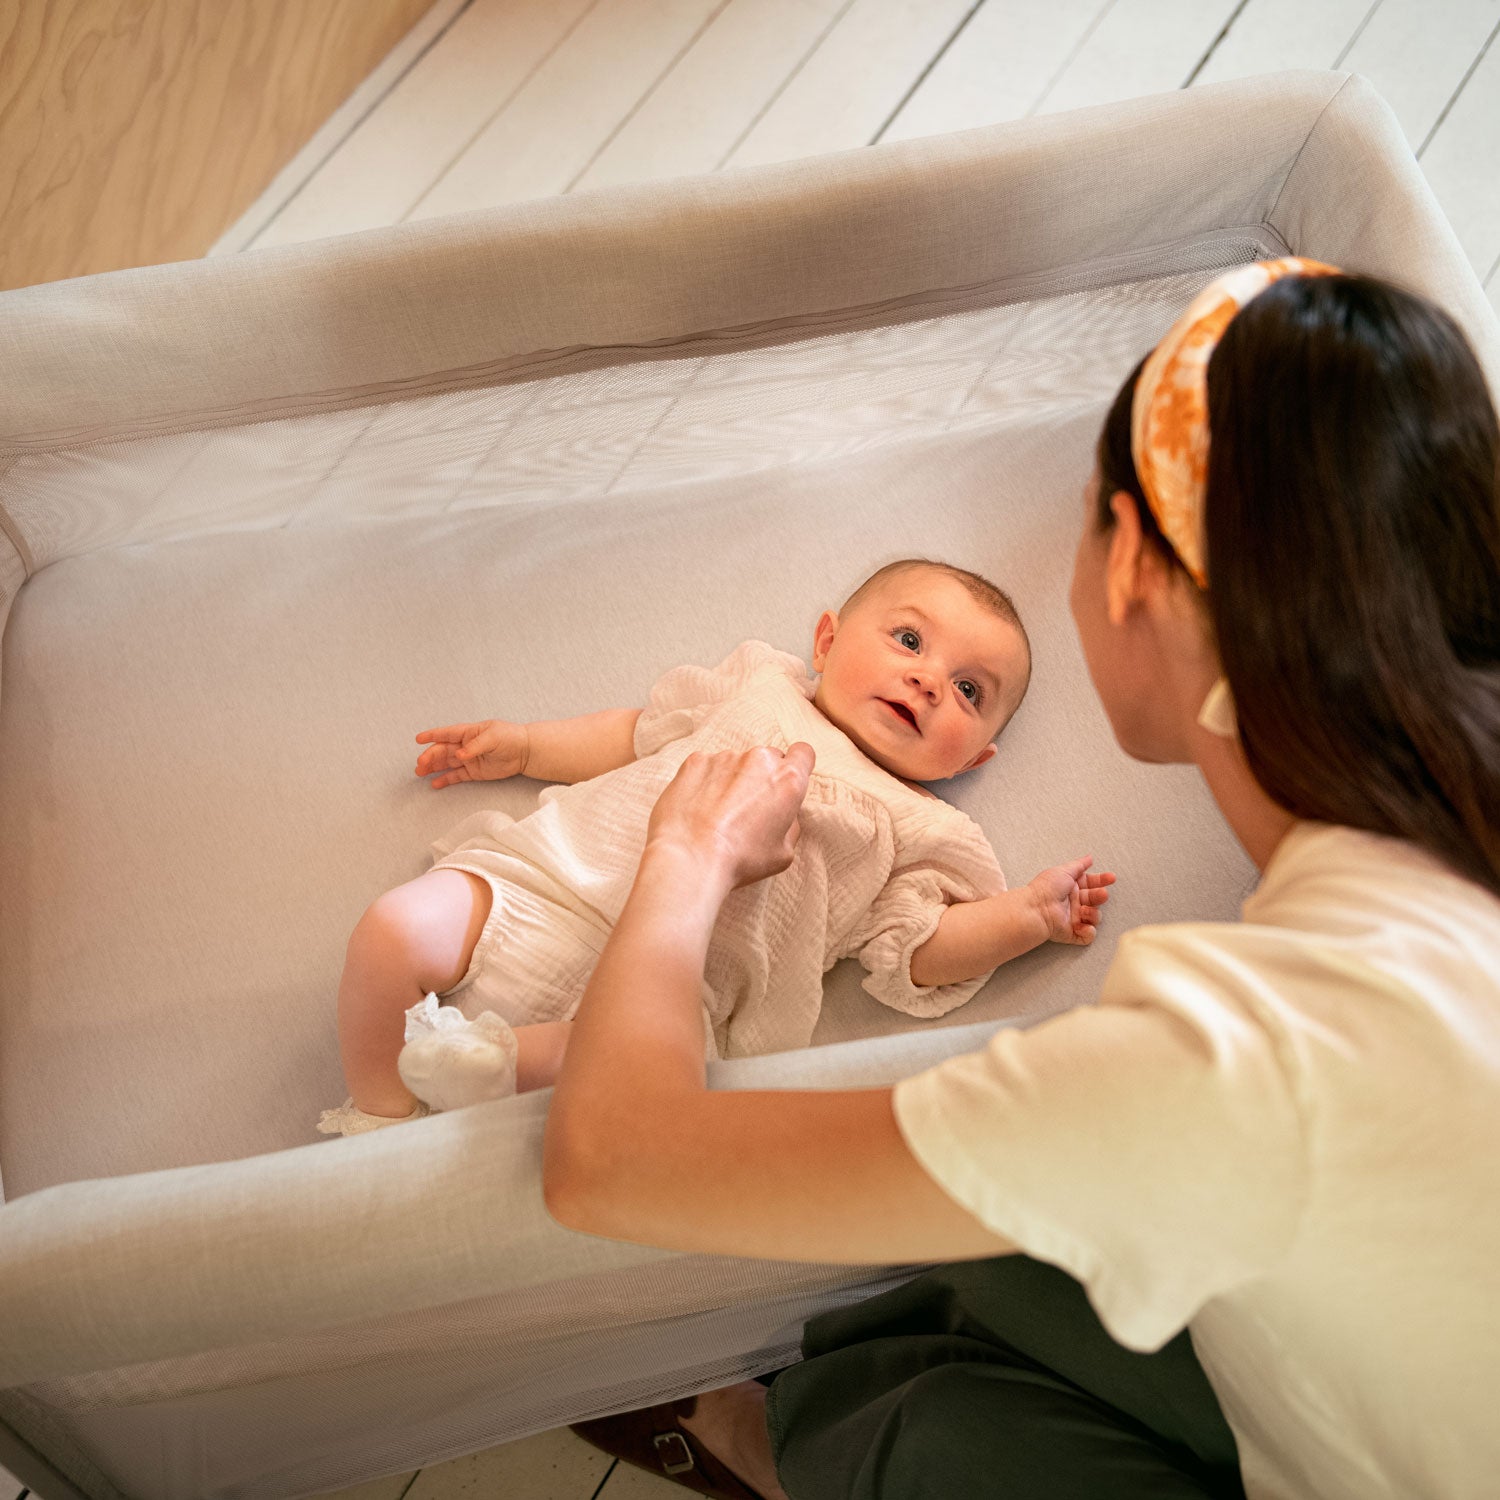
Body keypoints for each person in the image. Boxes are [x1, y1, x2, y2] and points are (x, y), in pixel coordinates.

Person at [547, 260, 1500, 1500]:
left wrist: (686, 861)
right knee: (976, 1257)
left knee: (939, 1417)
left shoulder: (1227, 1064)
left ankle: (775, 1450)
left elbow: (611, 1160)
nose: (926, 682)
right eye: (904, 642)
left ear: (1130, 574)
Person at [317, 559, 1115, 1135]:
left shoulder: (924, 828)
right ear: (827, 642)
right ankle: (382, 1118)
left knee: (625, 1069)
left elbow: (917, 950)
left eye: (970, 691)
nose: (930, 681)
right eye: (909, 639)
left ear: (975, 759)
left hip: (682, 990)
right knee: (393, 929)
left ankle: (488, 1066)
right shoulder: (759, 687)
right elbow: (635, 733)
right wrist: (527, 746)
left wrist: (1024, 917)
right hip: (552, 886)